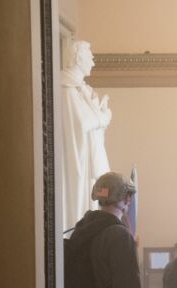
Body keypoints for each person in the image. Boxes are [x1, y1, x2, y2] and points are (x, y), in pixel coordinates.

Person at [61, 39, 113, 231]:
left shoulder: (79, 89)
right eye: (90, 57)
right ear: (79, 58)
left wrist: (98, 112)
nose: (93, 62)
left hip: (85, 161)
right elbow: (81, 124)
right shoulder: (67, 89)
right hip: (78, 163)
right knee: (81, 204)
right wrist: (103, 118)